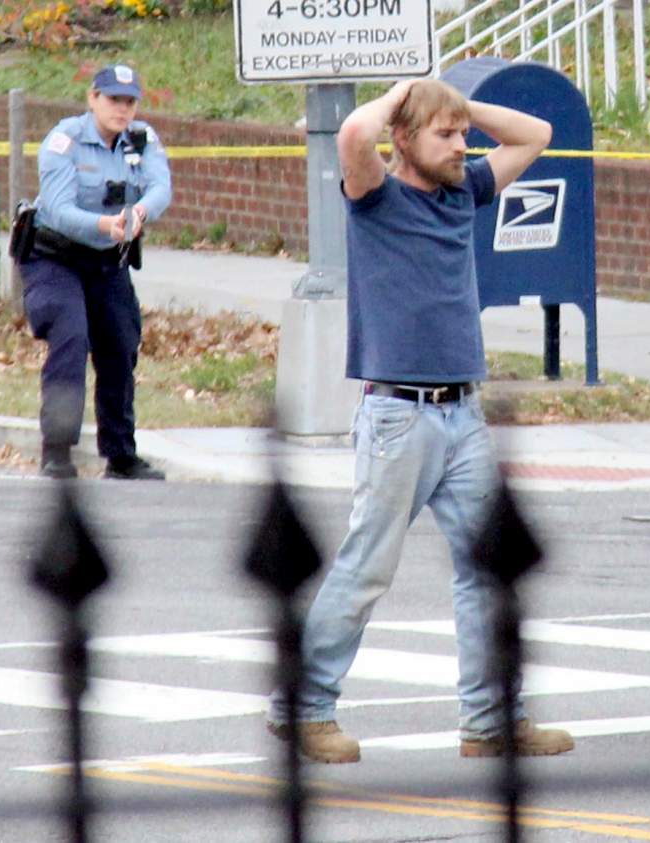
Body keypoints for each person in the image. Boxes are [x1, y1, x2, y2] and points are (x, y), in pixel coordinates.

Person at [266, 79, 574, 763]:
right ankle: (304, 708)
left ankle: (492, 721)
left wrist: (458, 102)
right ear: (403, 140)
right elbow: (352, 137)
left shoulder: (465, 189)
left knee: (489, 567)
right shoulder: (375, 196)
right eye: (446, 134)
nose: (463, 145)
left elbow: (536, 136)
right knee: (367, 566)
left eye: (463, 135)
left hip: (463, 413)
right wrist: (402, 93)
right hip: (397, 416)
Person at [19, 64, 171, 480]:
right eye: (113, 100)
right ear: (93, 99)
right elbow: (59, 211)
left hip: (107, 261)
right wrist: (107, 225)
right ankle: (57, 451)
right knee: (70, 336)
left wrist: (140, 212)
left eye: (129, 101)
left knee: (120, 343)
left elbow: (161, 186)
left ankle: (121, 455)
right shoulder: (64, 141)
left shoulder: (141, 139)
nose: (122, 110)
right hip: (55, 259)